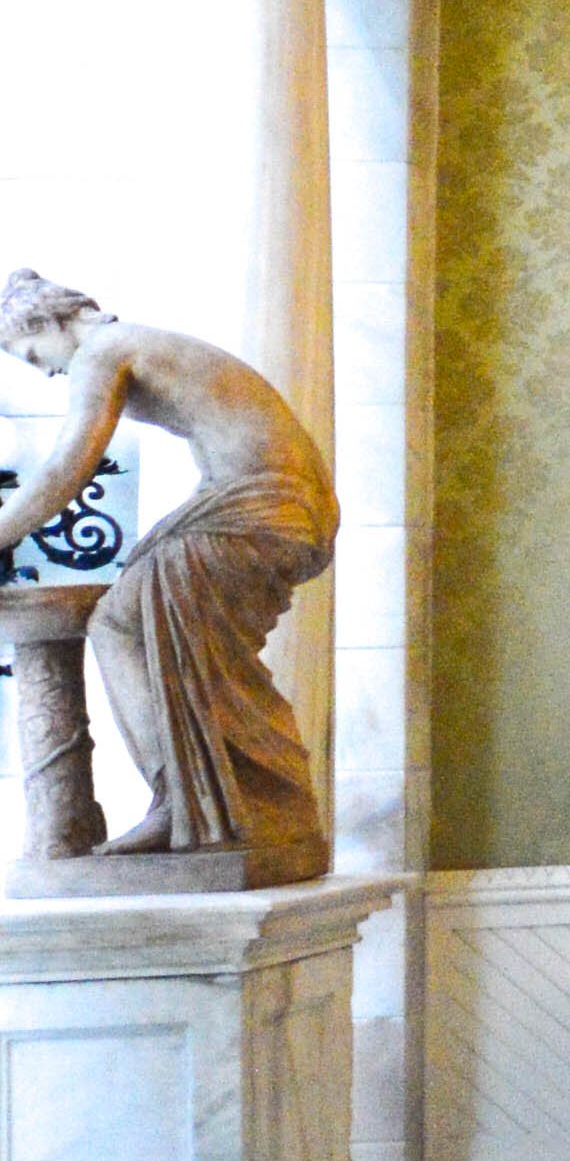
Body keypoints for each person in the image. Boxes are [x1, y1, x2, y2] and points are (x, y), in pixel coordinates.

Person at [0, 275, 336, 883]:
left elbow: (65, 469)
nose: (45, 371)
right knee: (178, 644)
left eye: (31, 355)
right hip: (270, 502)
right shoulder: (133, 343)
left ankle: (187, 800)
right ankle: (218, 801)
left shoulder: (104, 351)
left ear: (45, 322)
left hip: (256, 505)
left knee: (132, 625)